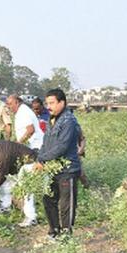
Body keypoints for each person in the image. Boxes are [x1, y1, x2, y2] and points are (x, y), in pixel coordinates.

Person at [35, 88, 81, 240]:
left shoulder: (69, 121)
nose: (49, 106)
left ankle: (66, 236)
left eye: (52, 103)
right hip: (51, 168)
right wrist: (40, 157)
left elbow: (62, 146)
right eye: (47, 103)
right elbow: (46, 142)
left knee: (66, 206)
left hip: (67, 169)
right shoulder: (51, 119)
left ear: (62, 102)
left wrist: (43, 159)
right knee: (48, 200)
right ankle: (54, 231)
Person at [6, 94, 44, 226]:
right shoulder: (22, 112)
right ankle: (31, 214)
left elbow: (30, 130)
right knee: (28, 181)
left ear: (17, 102)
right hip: (32, 150)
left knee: (25, 182)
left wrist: (18, 144)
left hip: (34, 151)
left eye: (10, 104)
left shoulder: (23, 112)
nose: (8, 107)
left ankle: (31, 217)